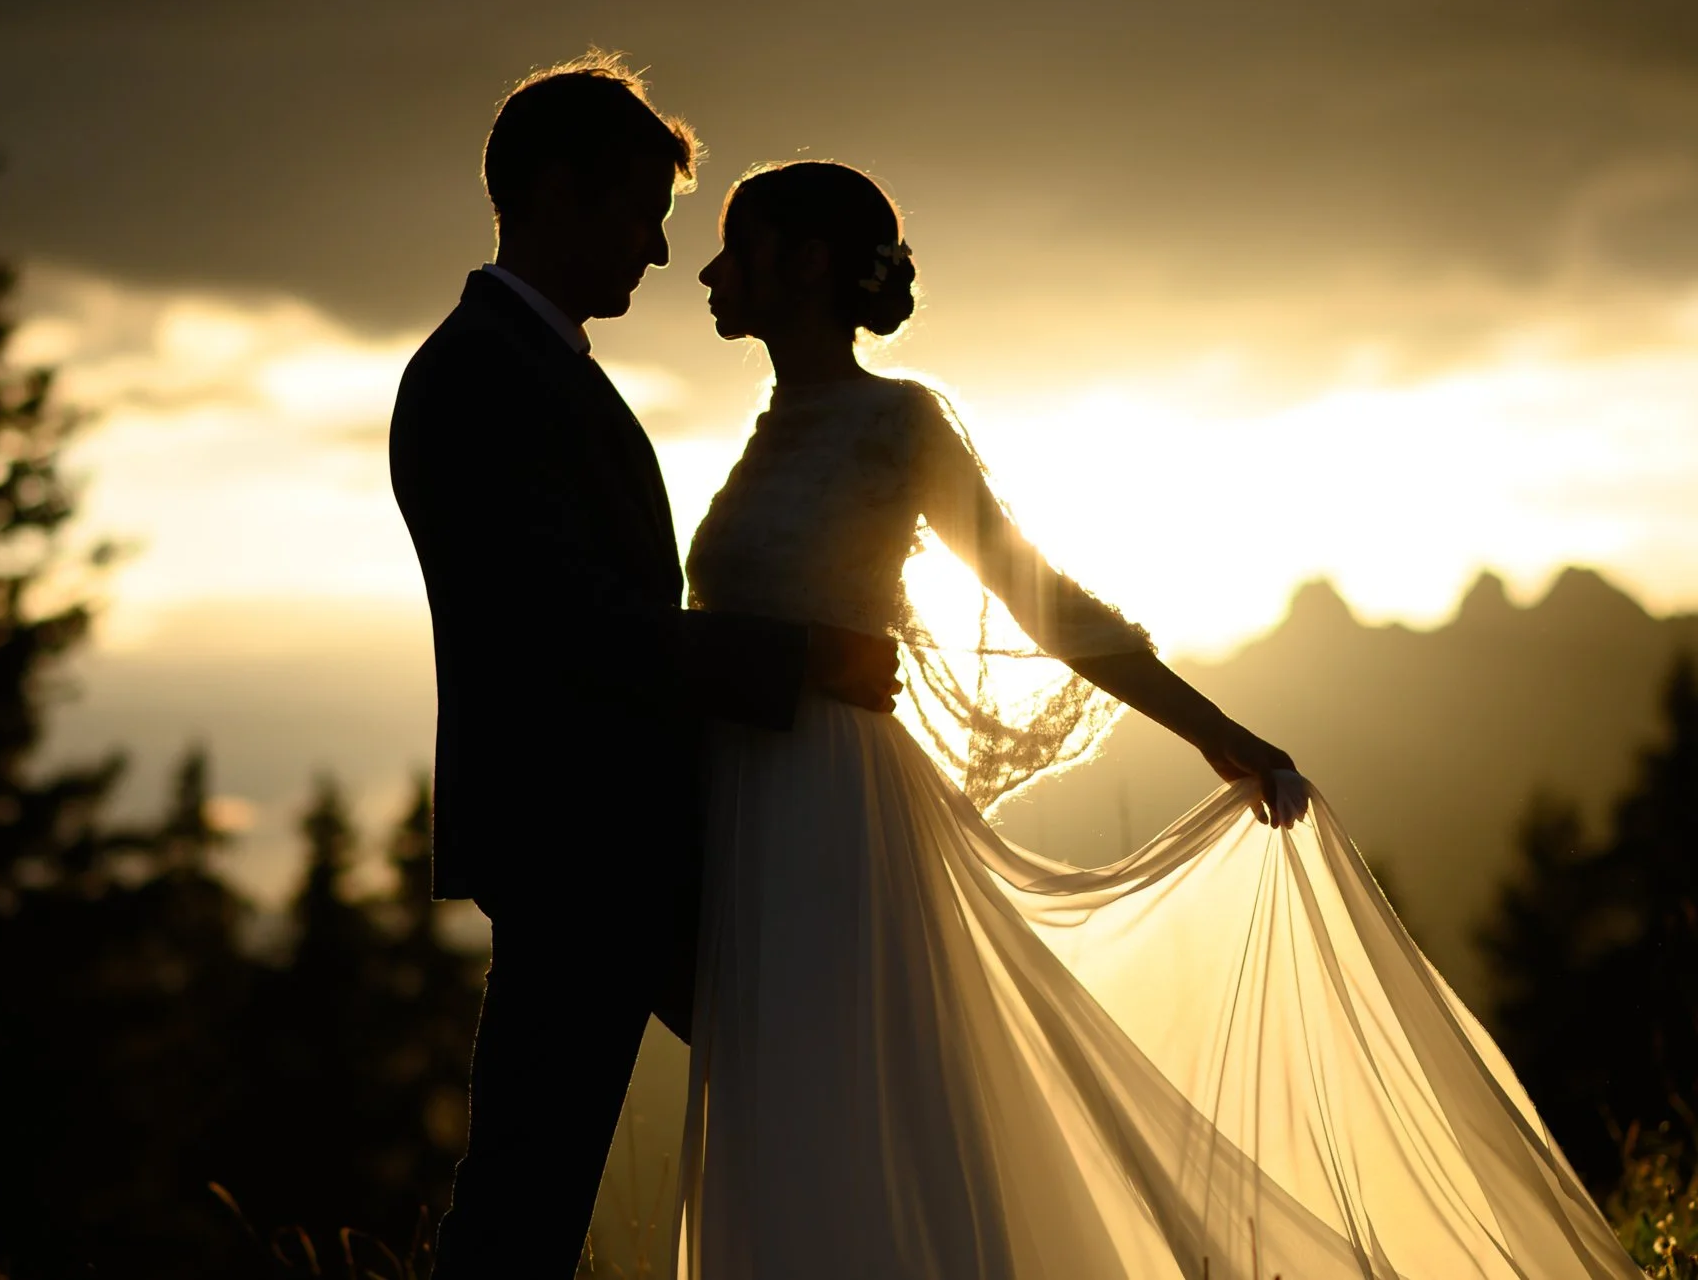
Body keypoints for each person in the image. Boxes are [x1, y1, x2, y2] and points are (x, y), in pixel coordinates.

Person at [675, 159, 1640, 1278]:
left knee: (847, 1099)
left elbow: (1042, 599)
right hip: (741, 814)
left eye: (736, 244)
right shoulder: (769, 427)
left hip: (834, 814)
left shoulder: (897, 424)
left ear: (805, 265)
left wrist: (1213, 730)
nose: (707, 269)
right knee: (773, 1098)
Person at [387, 67, 901, 1278]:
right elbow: (576, 623)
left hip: (619, 844)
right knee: (528, 1191)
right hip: (579, 846)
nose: (663, 253)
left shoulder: (536, 367)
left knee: (743, 1120)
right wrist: (804, 656)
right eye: (638, 213)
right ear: (554, 196)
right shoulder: (478, 378)